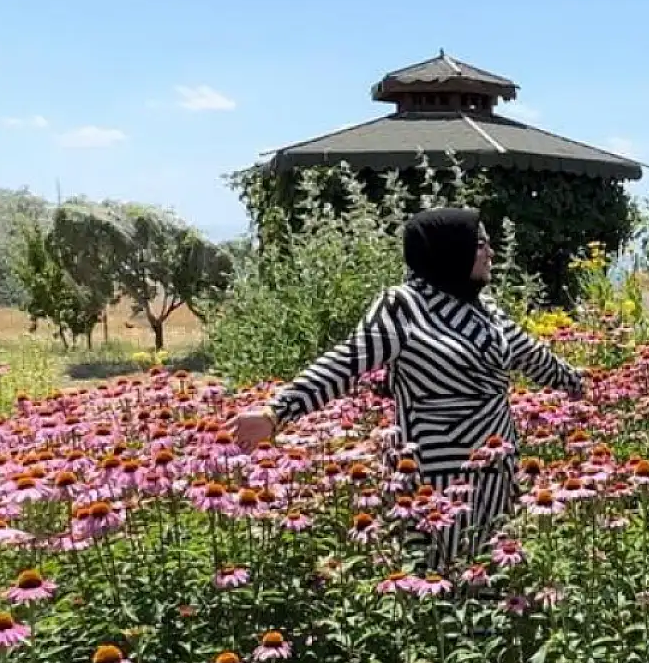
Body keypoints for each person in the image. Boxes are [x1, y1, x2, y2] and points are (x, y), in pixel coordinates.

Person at [227, 206, 585, 568]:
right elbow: (344, 363)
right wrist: (276, 413)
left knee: (490, 579)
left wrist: (579, 384)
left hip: (496, 472)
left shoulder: (486, 309)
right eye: (480, 245)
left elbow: (534, 356)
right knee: (437, 584)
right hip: (435, 478)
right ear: (448, 250)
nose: (491, 253)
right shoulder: (403, 306)